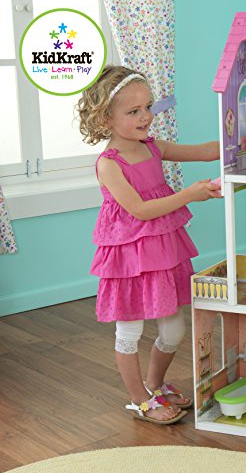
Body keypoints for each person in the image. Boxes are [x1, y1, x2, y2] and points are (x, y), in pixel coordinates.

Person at [77, 65, 221, 425]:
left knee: (174, 330)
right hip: (128, 257)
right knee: (130, 332)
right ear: (106, 118)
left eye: (148, 107)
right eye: (133, 111)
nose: (146, 117)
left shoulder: (153, 147)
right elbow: (140, 210)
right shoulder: (109, 165)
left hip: (161, 252)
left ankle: (155, 384)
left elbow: (205, 152)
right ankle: (140, 399)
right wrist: (189, 194)